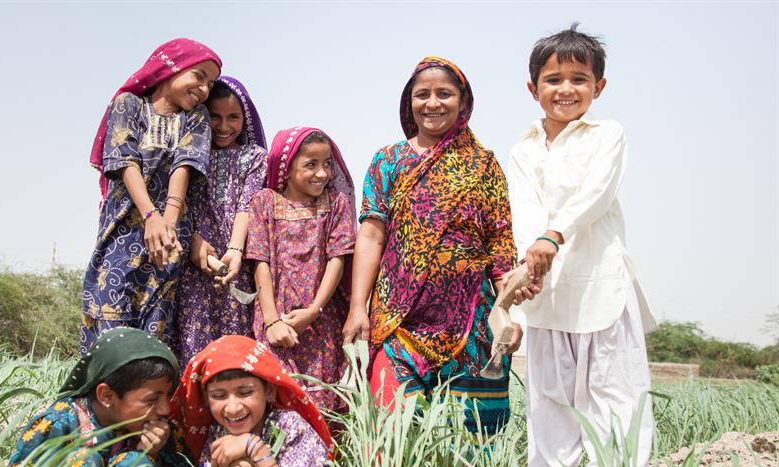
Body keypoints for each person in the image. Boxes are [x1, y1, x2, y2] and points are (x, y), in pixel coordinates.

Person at [342, 57, 536, 436]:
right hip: (399, 317)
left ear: (463, 102)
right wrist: (357, 308)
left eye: (444, 94)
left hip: (470, 320)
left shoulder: (483, 164)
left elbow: (499, 242)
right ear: (408, 102)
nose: (433, 103)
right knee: (389, 428)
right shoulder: (388, 161)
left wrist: (507, 313)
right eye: (422, 94)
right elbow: (371, 235)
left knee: (466, 435)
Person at [505, 24, 656, 467]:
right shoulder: (523, 149)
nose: (565, 89)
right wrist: (528, 265)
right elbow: (524, 210)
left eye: (578, 78)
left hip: (599, 283)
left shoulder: (607, 135)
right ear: (533, 89)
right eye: (553, 79)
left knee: (613, 389)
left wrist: (553, 235)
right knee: (549, 390)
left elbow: (597, 195)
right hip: (547, 288)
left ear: (599, 87)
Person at [80, 38, 221, 356]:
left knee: (154, 327)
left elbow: (185, 164)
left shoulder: (196, 118)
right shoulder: (129, 104)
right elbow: (124, 161)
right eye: (198, 76)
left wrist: (168, 224)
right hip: (123, 233)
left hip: (169, 239)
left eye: (210, 84)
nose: (203, 89)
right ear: (172, 66)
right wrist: (150, 217)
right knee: (110, 315)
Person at [5, 327, 194, 467]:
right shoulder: (58, 424)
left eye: (168, 396)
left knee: (135, 464)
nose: (165, 409)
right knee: (84, 460)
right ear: (107, 395)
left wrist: (153, 453)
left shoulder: (158, 426)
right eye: (152, 399)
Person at [245, 127, 356, 410]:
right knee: (278, 397)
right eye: (311, 164)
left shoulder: (335, 204)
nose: (322, 173)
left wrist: (314, 310)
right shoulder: (264, 203)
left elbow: (337, 259)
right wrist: (271, 321)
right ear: (286, 166)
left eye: (327, 164)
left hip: (321, 322)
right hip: (275, 317)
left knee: (322, 402)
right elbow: (261, 263)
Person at [172, 335, 334, 467]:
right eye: (219, 396)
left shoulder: (289, 427)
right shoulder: (217, 432)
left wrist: (258, 452)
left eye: (245, 392)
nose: (232, 408)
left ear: (270, 391)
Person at [175, 76, 268, 368]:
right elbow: (180, 203)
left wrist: (236, 251)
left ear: (246, 118)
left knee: (236, 346)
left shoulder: (254, 158)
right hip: (193, 263)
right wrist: (192, 240)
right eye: (214, 116)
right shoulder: (187, 155)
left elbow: (247, 205)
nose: (224, 126)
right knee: (192, 341)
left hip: (235, 264)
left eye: (233, 117)